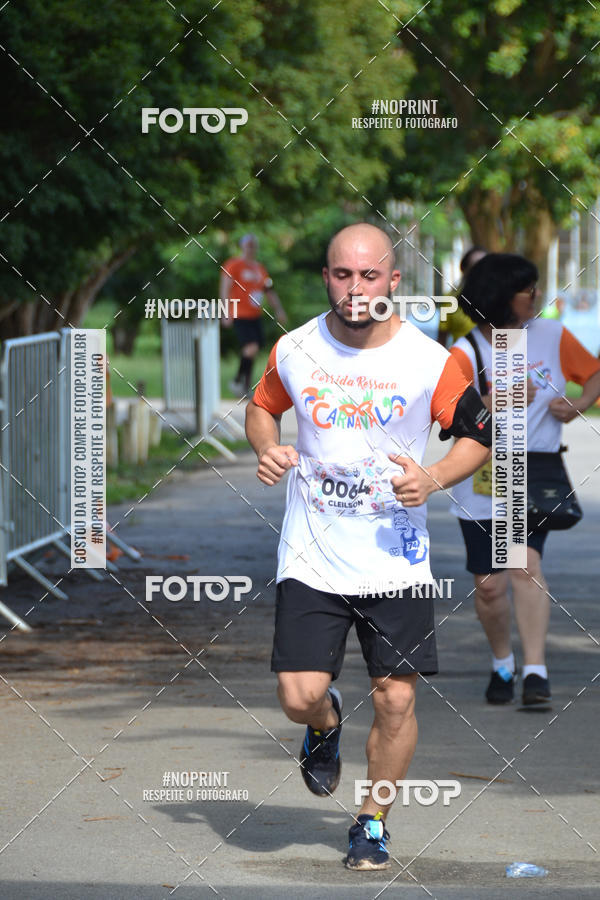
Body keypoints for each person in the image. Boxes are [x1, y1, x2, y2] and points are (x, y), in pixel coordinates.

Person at [245, 223, 492, 870]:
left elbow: (475, 436)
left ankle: (373, 821)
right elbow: (261, 406)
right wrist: (267, 448)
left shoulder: (432, 360)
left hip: (395, 556)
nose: (356, 289)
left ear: (393, 282)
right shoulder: (296, 348)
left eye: (370, 276)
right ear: (327, 278)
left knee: (397, 697)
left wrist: (433, 476)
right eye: (343, 275)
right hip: (312, 551)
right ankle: (324, 728)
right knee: (298, 694)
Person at [448, 253, 600, 706]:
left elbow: (594, 373)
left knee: (524, 567)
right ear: (499, 297)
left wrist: (577, 405)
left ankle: (536, 672)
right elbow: (449, 419)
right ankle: (502, 663)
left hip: (530, 474)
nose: (536, 296)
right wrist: (495, 399)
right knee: (489, 586)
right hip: (481, 475)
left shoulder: (551, 334)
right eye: (526, 289)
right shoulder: (467, 351)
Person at [220, 234, 287, 396]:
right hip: (239, 313)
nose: (251, 248)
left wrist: (278, 309)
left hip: (254, 315)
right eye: (248, 245)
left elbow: (269, 290)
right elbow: (224, 288)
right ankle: (238, 381)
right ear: (242, 246)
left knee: (254, 349)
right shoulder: (233, 265)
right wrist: (225, 311)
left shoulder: (259, 269)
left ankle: (244, 386)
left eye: (253, 245)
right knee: (251, 347)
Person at [437, 245, 486, 348]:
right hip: (461, 361)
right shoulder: (450, 299)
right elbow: (442, 339)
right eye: (475, 266)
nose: (481, 270)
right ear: (464, 269)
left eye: (486, 266)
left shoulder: (502, 298)